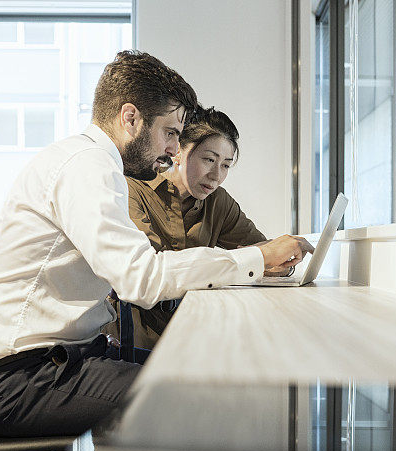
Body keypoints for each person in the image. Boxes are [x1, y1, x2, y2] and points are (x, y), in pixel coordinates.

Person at [0, 50, 313, 438]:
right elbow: (142, 279)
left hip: (55, 360)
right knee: (189, 398)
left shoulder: (88, 162)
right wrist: (255, 257)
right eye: (171, 132)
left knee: (196, 377)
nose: (174, 149)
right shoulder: (88, 167)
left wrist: (253, 257)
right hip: (17, 381)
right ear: (131, 118)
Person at [109, 106, 287, 350]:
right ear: (179, 151)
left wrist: (283, 259)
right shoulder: (133, 190)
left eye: (226, 165)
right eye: (209, 160)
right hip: (136, 342)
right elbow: (154, 271)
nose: (216, 175)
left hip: (193, 333)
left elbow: (263, 250)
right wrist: (255, 258)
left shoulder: (217, 201)